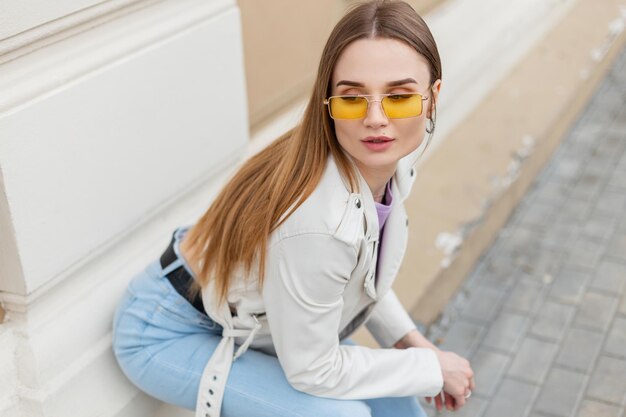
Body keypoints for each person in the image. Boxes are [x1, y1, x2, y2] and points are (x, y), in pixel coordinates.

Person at [112, 1, 475, 416]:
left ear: (432, 98)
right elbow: (314, 370)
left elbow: (362, 271)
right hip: (167, 330)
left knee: (400, 407)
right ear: (327, 103)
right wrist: (430, 367)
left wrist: (416, 346)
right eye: (353, 98)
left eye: (399, 97)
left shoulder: (381, 163)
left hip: (251, 322)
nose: (376, 118)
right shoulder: (316, 220)